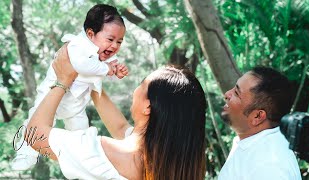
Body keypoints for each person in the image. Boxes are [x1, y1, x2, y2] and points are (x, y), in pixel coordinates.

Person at [24, 44, 207, 179]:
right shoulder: (174, 166)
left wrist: (63, 81)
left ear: (148, 107)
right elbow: (121, 128)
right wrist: (92, 78)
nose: (135, 90)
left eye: (142, 84)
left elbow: (35, 134)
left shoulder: (99, 153)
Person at [11, 4, 128, 171]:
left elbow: (100, 67)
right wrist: (107, 69)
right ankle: (26, 153)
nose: (115, 45)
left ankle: (82, 162)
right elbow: (82, 65)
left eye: (119, 41)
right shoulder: (76, 45)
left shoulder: (101, 57)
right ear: (90, 34)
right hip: (51, 97)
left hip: (76, 105)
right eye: (110, 39)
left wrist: (115, 69)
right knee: (34, 122)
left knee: (81, 134)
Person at [218, 67, 301, 180]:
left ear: (257, 116)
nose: (227, 94)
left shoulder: (270, 167)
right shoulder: (251, 140)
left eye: (237, 93)